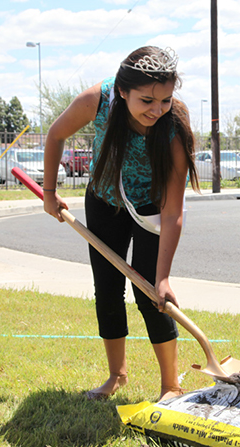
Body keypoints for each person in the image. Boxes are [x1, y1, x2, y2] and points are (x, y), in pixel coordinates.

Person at [42, 46, 199, 402]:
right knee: (108, 290)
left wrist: (163, 278)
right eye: (146, 101)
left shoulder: (174, 126)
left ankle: (171, 385)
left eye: (164, 100)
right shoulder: (97, 101)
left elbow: (173, 212)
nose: (156, 110)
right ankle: (116, 375)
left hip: (150, 207)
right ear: (123, 91)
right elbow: (55, 134)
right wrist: (49, 192)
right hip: (104, 200)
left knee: (150, 295)